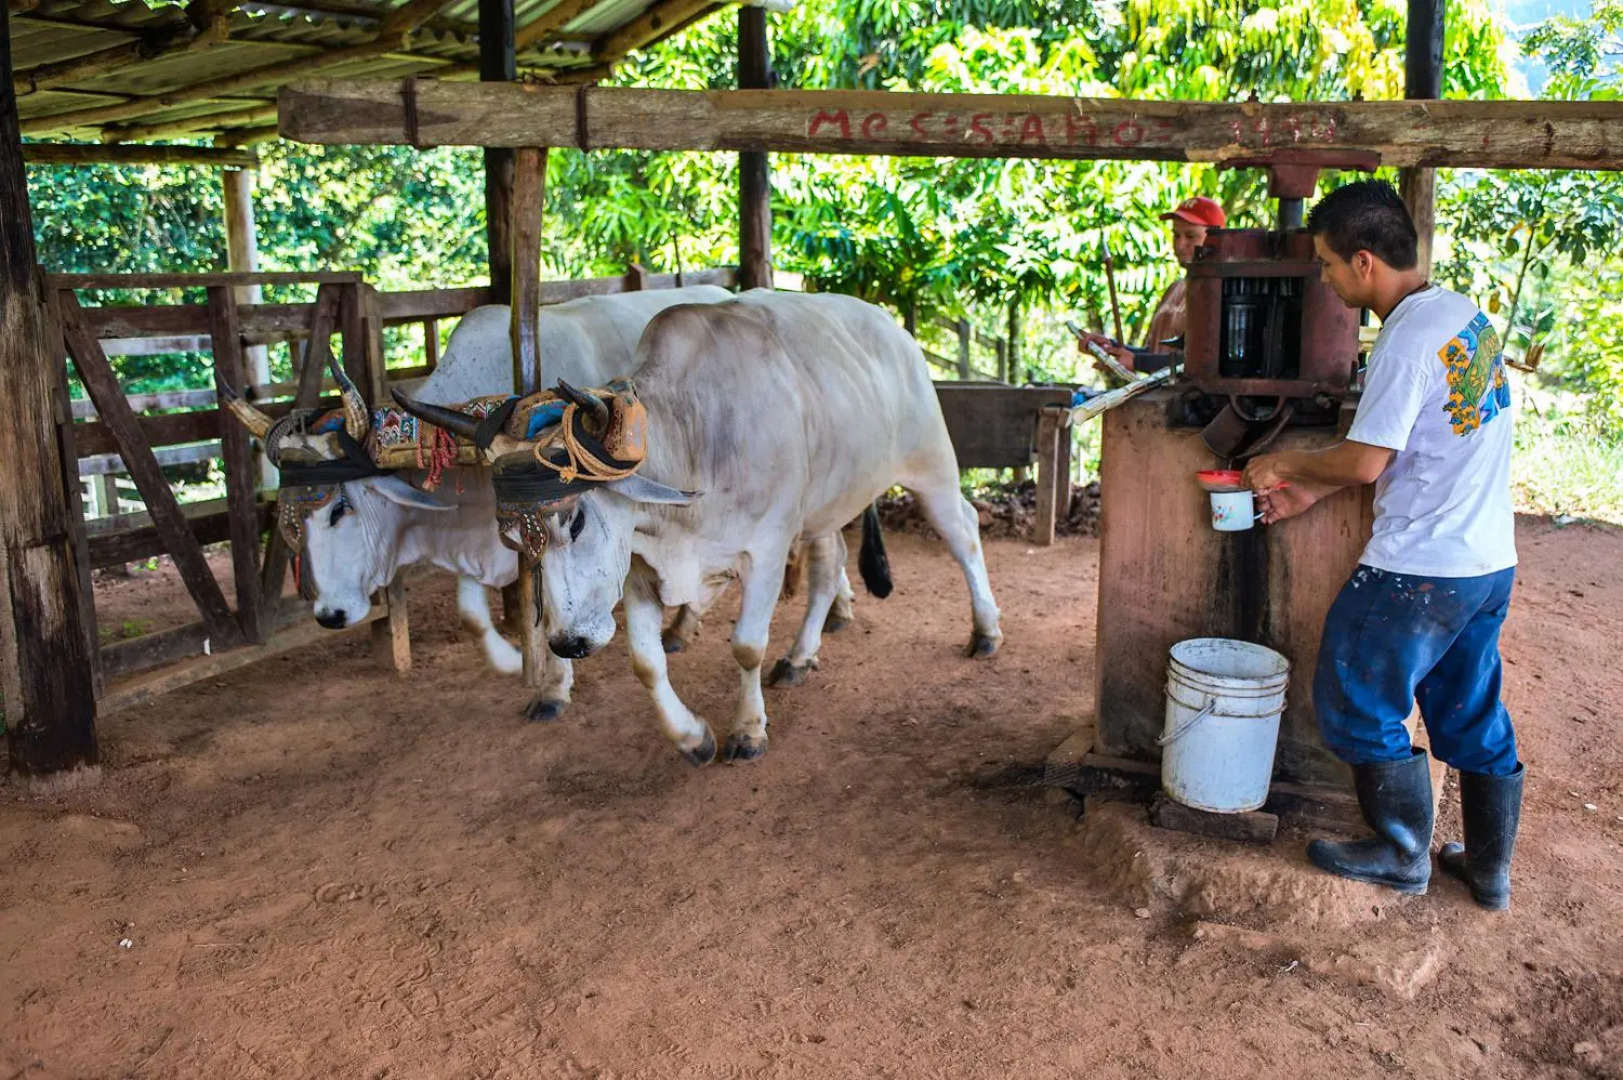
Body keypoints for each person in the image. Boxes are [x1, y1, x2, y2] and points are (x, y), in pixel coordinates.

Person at [1241, 179, 1521, 910]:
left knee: (1353, 697)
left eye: (1329, 264)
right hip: (1486, 564)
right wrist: (1311, 492)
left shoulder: (1404, 341)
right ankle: (1488, 869)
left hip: (1419, 570)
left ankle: (1400, 854)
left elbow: (1366, 460)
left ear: (1363, 261)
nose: (1327, 280)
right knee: (1468, 709)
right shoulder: (1463, 316)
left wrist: (1284, 464)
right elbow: (1417, 450)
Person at [1077, 195, 1226, 373]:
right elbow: (1155, 353)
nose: (1180, 245)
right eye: (1176, 235)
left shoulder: (1222, 293)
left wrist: (1138, 362)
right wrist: (1111, 347)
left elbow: (1204, 361)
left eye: (1190, 236)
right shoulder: (1175, 288)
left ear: (1215, 239)